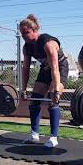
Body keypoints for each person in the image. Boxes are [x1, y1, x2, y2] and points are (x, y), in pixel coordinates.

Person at [19, 14, 69, 147]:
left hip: (60, 68)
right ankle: (34, 135)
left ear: (34, 30)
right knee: (34, 101)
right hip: (45, 69)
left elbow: (55, 69)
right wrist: (23, 89)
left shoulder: (48, 43)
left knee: (53, 101)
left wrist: (56, 90)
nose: (24, 36)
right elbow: (25, 69)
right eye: (22, 33)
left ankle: (53, 138)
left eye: (26, 32)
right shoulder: (27, 47)